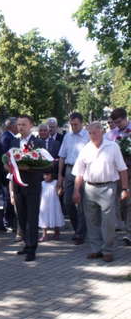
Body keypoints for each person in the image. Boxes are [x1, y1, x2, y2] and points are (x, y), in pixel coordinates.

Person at [73, 122, 129, 262]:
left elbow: (122, 169)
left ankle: (108, 250)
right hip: (89, 188)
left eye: (95, 132)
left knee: (108, 221)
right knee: (92, 220)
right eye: (90, 133)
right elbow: (79, 172)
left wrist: (125, 188)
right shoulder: (85, 149)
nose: (93, 135)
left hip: (108, 187)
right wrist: (76, 191)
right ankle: (96, 249)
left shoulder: (113, 146)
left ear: (102, 132)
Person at [10, 115, 47, 262]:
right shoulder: (14, 141)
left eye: (23, 124)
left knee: (32, 217)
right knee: (22, 216)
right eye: (18, 124)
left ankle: (32, 248)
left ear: (31, 125)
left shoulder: (38, 142)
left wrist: (30, 167)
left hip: (32, 184)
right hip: (18, 184)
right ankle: (26, 243)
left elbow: (44, 163)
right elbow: (9, 159)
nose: (20, 127)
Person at [56, 113, 89, 244]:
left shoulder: (88, 136)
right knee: (67, 202)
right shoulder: (67, 136)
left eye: (76, 124)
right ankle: (78, 229)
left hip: (83, 170)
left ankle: (80, 234)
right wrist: (60, 175)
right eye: (72, 124)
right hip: (69, 169)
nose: (73, 127)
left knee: (81, 203)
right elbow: (62, 156)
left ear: (82, 123)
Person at [106, 108, 131, 244]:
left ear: (126, 118)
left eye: (119, 122)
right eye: (115, 122)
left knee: (129, 202)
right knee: (121, 202)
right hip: (118, 172)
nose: (117, 125)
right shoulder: (111, 135)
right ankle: (123, 226)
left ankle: (129, 233)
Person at [0, 117, 19, 232]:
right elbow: (5, 156)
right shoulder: (6, 137)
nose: (19, 127)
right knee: (9, 197)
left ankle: (11, 221)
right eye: (17, 124)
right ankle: (8, 222)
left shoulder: (10, 136)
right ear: (11, 126)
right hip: (8, 172)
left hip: (12, 171)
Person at [39, 172, 65, 242]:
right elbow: (40, 193)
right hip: (44, 204)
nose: (45, 176)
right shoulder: (42, 183)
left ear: (52, 175)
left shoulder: (55, 182)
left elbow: (59, 193)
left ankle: (57, 232)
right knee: (44, 217)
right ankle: (44, 235)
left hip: (54, 203)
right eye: (44, 175)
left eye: (47, 175)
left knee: (56, 216)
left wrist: (60, 188)